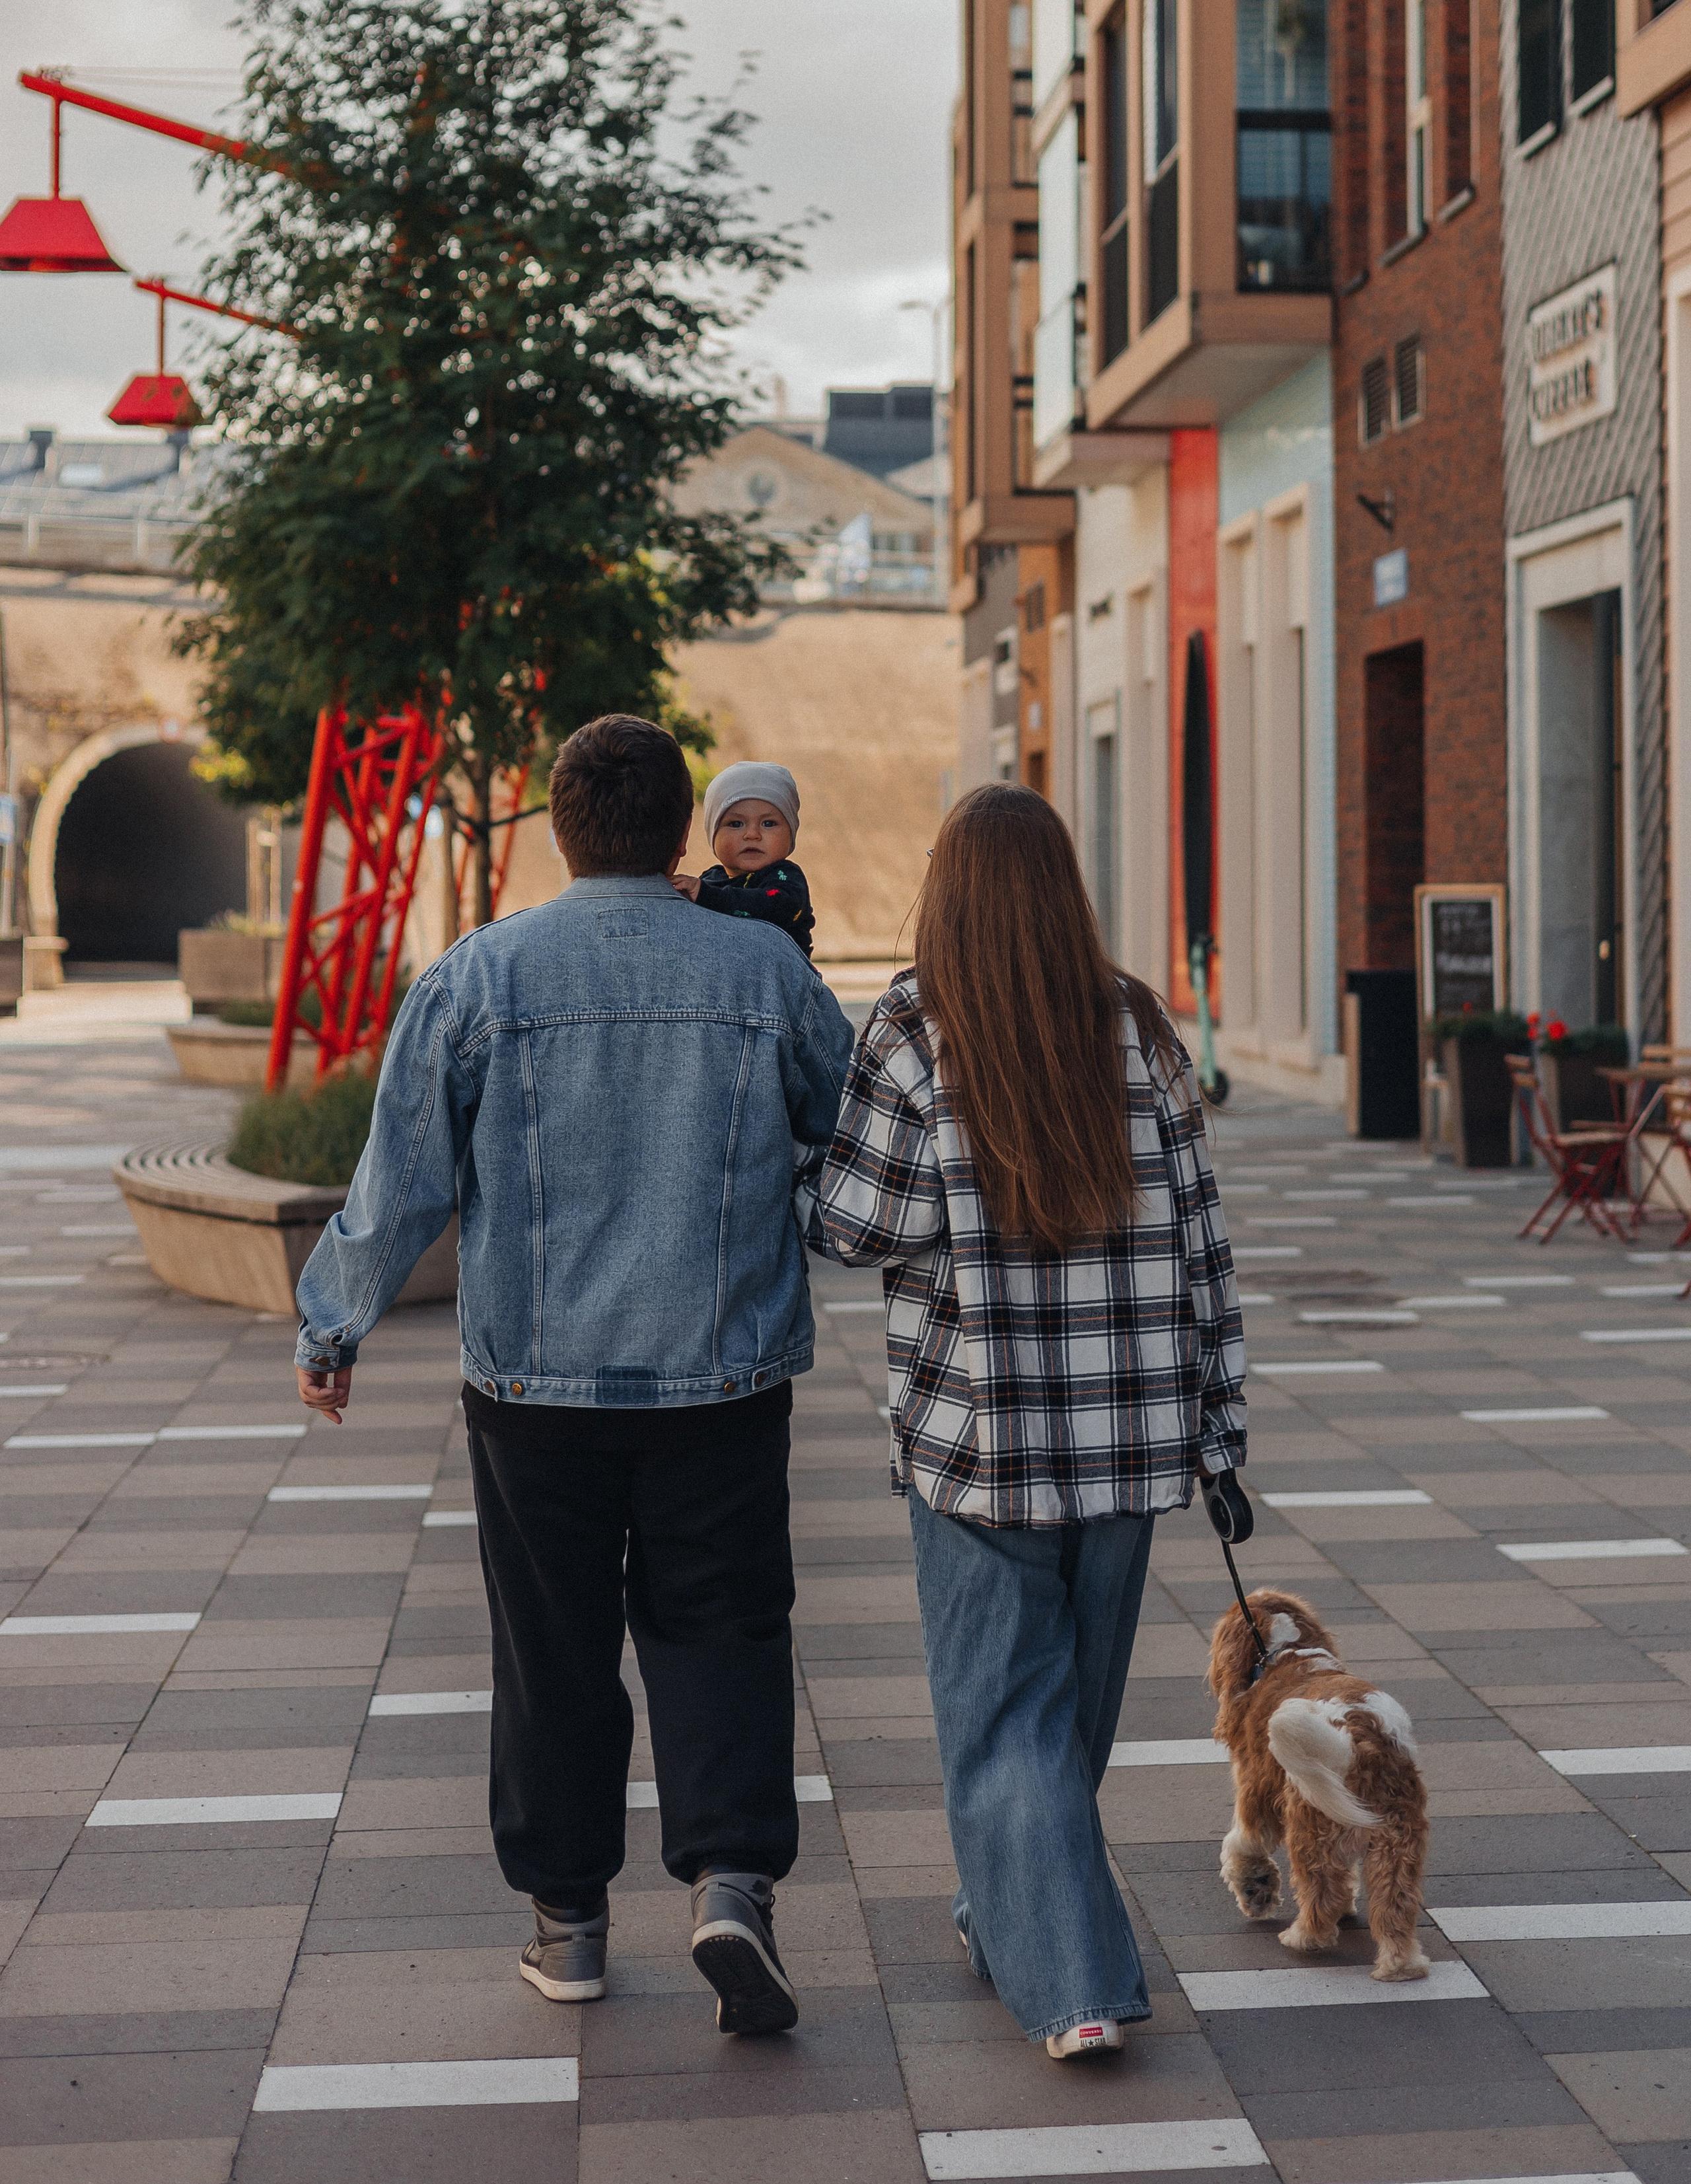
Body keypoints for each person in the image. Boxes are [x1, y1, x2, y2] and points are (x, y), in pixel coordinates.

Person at [293, 714, 854, 2036]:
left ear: (560, 827)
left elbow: (401, 1180)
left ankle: (570, 1918)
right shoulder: (765, 971)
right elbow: (857, 1133)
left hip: (533, 1392)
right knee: (723, 1625)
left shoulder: (479, 976)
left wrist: (334, 1325)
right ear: (682, 830)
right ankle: (730, 1881)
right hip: (722, 1378)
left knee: (550, 1646)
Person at [814, 783, 1246, 2059]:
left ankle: (1074, 1988)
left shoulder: (912, 1024)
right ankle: (1008, 1913)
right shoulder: (1138, 1025)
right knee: (1069, 1716)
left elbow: (856, 1224)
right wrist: (1220, 1421)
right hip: (1130, 1438)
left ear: (947, 891)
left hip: (982, 1438)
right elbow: (1205, 1241)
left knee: (1009, 1717)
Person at [672, 760, 815, 957]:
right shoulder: (711, 879)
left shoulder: (786, 878)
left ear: (791, 833)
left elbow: (775, 906)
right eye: (736, 824)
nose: (753, 834)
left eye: (768, 823)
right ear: (713, 835)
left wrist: (706, 896)